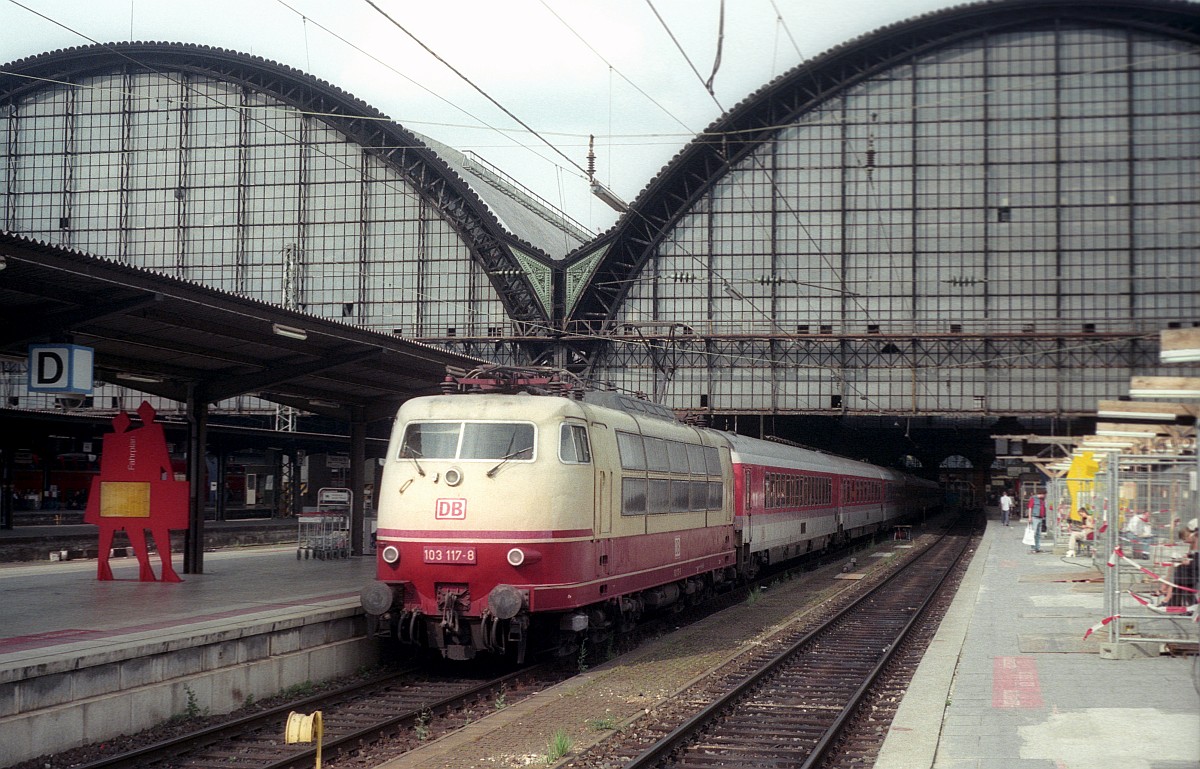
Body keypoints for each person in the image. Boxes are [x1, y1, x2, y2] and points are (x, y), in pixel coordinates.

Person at [1158, 518, 1198, 609]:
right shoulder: (1195, 544)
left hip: (1194, 571)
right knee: (1178, 571)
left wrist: (1188, 562)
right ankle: (1173, 601)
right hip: (1193, 569)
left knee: (1181, 574)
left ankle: (1171, 598)